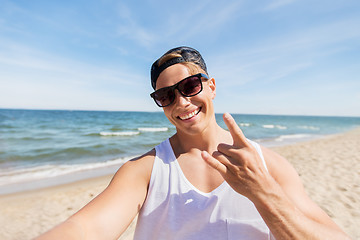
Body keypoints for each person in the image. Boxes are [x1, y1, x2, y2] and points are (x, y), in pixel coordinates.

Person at [37, 46, 350, 240]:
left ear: (211, 86)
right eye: (166, 95)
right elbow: (87, 228)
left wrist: (264, 193)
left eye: (189, 86)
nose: (181, 102)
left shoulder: (267, 165)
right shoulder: (146, 170)